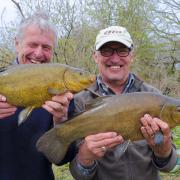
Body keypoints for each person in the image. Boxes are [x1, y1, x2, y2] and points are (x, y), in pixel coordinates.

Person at [69, 26, 177, 180]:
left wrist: (163, 149)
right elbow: (79, 174)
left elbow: (169, 166)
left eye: (122, 50)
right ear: (95, 56)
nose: (114, 58)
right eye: (106, 50)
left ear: (132, 56)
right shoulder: (80, 101)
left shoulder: (154, 97)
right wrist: (85, 157)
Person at [0, 13, 75, 180]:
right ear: (17, 44)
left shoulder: (63, 93)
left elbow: (63, 158)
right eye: (32, 45)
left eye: (46, 47)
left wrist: (61, 122)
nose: (39, 53)